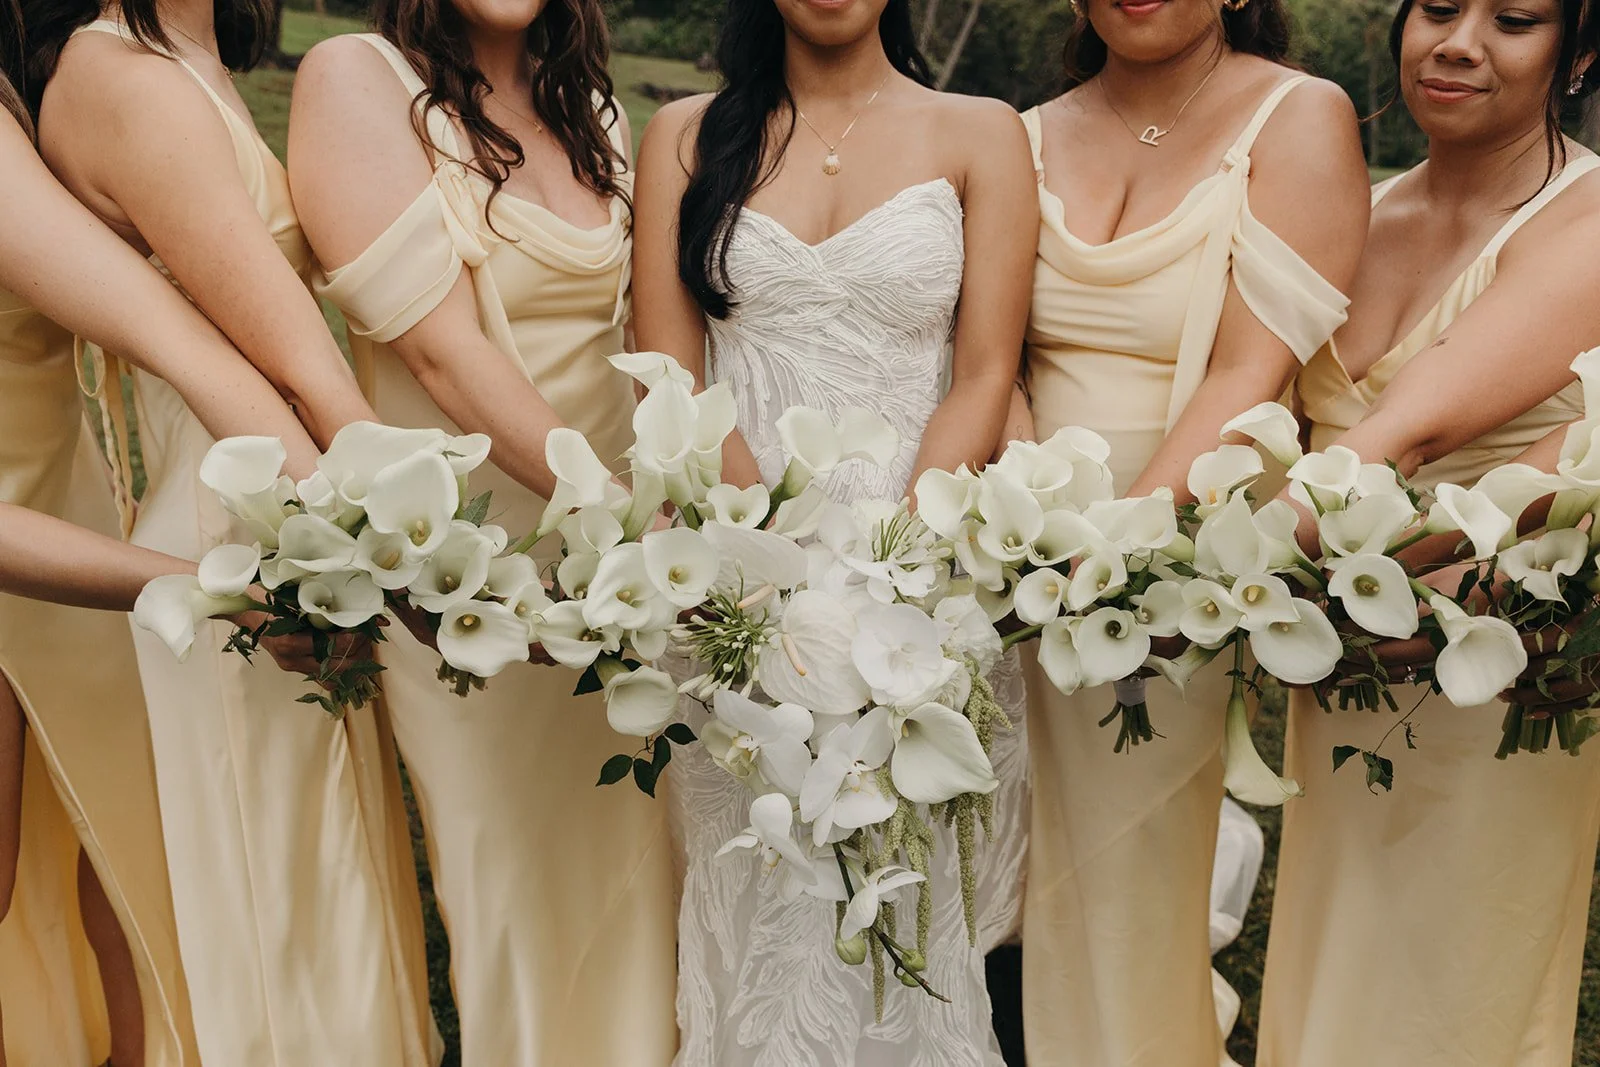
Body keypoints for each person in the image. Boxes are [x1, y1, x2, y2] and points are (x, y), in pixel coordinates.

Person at [26, 2, 437, 1062]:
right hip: (238, 522)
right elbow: (280, 362)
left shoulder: (188, 57)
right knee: (273, 918)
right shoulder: (118, 76)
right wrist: (404, 546)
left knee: (325, 893)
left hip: (285, 514)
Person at [631, 0, 1038, 1061]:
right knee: (760, 898)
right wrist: (767, 572)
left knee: (904, 901)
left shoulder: (982, 132)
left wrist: (894, 574)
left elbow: (985, 370)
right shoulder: (683, 135)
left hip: (919, 584)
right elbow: (668, 371)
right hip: (738, 582)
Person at [286, 0, 678, 1061]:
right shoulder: (356, 78)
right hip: (473, 579)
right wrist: (618, 513)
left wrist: (661, 529)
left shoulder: (593, 110)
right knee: (510, 886)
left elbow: (633, 339)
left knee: (641, 878)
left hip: (620, 579)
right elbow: (443, 356)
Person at [1011, 1, 1369, 1062]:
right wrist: (1015, 526)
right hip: (1011, 557)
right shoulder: (1021, 134)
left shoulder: (1299, 117)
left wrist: (1112, 560)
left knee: (1123, 877)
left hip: (1172, 572)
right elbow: (991, 356)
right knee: (996, 867)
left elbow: (1252, 372)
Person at [1263, 1, 1600, 1062]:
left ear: (1579, 53)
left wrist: (1223, 575)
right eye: (1438, 8)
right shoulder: (1355, 215)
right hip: (1337, 672)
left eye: (1513, 18)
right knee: (1331, 970)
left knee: (1456, 1000)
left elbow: (1412, 431)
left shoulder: (1589, 217)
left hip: (1491, 664)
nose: (1458, 41)